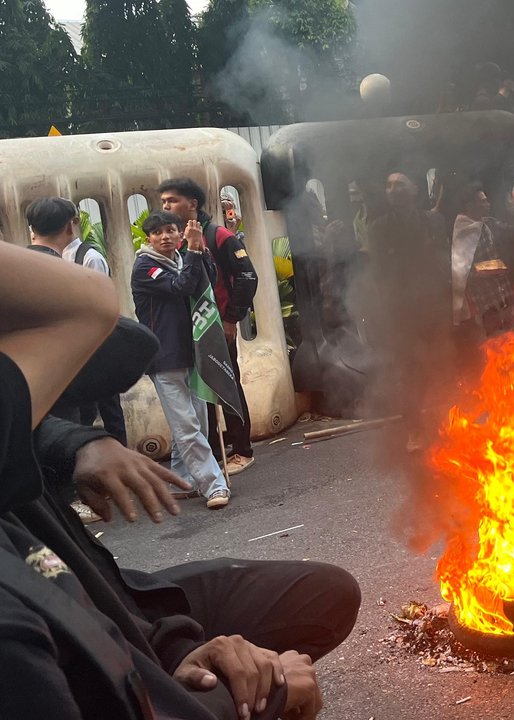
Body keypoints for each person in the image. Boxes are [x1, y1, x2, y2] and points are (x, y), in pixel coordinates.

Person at [0, 242, 359, 717]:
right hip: (113, 649)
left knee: (326, 592)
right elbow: (92, 306)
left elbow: (125, 342)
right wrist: (249, 694)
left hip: (126, 605)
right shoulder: (14, 637)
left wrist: (77, 445)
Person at [132, 211, 232, 510]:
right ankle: (214, 485)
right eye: (157, 232)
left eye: (170, 230)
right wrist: (193, 252)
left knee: (196, 422)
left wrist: (199, 250)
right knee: (187, 426)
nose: (164, 237)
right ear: (148, 238)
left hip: (192, 352)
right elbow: (182, 286)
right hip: (165, 358)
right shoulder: (145, 267)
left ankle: (182, 478)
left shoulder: (181, 259)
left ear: (179, 234)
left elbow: (208, 280)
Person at [158, 178, 258, 477]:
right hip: (189, 330)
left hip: (217, 326)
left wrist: (231, 319)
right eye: (163, 202)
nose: (166, 206)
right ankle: (213, 453)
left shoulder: (218, 235)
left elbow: (247, 277)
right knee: (200, 391)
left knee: (227, 384)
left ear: (192, 204)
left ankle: (242, 450)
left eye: (172, 200)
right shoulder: (175, 240)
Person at [25, 198, 127, 449]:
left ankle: (119, 454)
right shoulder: (41, 259)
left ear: (32, 229)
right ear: (72, 225)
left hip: (93, 350)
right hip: (67, 356)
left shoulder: (88, 257)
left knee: (108, 408)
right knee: (80, 414)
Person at [451, 184, 514, 338]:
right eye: (483, 202)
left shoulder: (487, 223)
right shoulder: (464, 232)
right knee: (494, 342)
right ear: (469, 206)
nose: (488, 204)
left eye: (487, 201)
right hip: (485, 301)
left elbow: (511, 231)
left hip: (503, 294)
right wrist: (492, 268)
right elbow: (462, 273)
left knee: (512, 338)